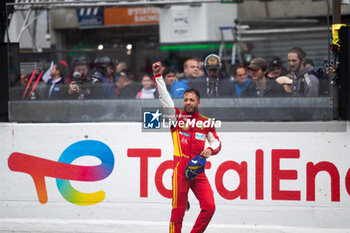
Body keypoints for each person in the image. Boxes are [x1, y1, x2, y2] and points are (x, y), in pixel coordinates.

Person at [152, 61, 222, 233]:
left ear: (198, 103)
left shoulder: (206, 122)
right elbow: (165, 99)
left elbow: (216, 142)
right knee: (178, 213)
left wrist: (210, 150)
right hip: (180, 171)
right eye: (186, 100)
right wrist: (158, 77)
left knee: (210, 207)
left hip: (198, 171)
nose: (188, 102)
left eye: (192, 100)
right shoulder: (175, 117)